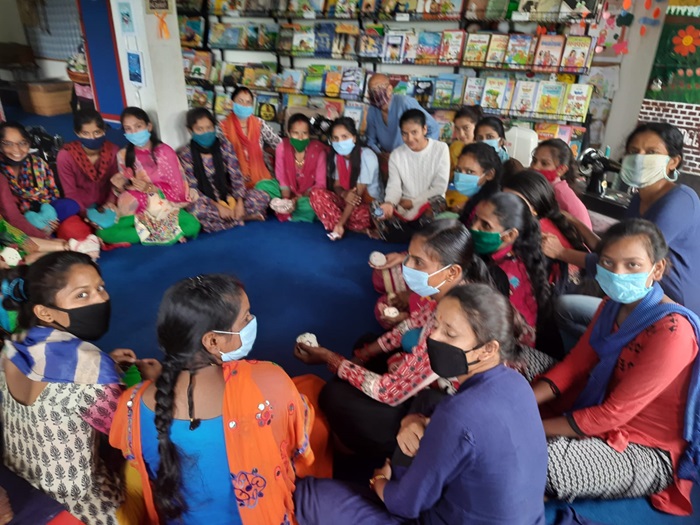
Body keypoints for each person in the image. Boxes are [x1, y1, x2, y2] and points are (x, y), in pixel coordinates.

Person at [294, 284, 548, 525]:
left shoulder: (459, 415)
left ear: (487, 350)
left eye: (449, 333)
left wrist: (379, 479)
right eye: (435, 325)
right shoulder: (518, 383)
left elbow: (405, 505)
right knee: (425, 404)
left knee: (309, 495)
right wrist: (415, 420)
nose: (433, 337)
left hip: (436, 514)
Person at [110, 274, 317, 524]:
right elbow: (297, 440)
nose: (252, 321)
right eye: (246, 318)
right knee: (312, 390)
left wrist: (156, 381)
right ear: (212, 341)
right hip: (261, 517)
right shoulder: (268, 378)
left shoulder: (131, 404)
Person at [530, 219, 700, 516]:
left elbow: (612, 414)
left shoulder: (673, 333)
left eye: (632, 265)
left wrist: (527, 426)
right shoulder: (611, 305)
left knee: (537, 458)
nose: (617, 273)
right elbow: (576, 365)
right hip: (597, 399)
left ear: (656, 270)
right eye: (608, 263)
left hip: (645, 448)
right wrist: (521, 403)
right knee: (512, 362)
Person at [294, 220, 491, 457]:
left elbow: (389, 392)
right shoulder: (454, 290)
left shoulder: (454, 326)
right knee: (366, 344)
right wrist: (364, 354)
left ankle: (379, 448)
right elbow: (412, 323)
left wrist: (330, 359)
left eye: (419, 262)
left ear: (452, 272)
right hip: (428, 383)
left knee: (333, 396)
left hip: (434, 416)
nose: (408, 266)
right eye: (409, 256)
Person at [0, 251, 156, 524]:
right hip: (83, 508)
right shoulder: (92, 368)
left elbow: (51, 386)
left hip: (27, 483)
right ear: (45, 311)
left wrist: (108, 365)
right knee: (155, 461)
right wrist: (152, 384)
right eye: (82, 295)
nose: (101, 299)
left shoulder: (11, 347)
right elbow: (131, 435)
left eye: (100, 288)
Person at [544, 122, 700, 344]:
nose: (639, 158)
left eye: (651, 152)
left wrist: (561, 253)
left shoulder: (680, 201)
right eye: (634, 152)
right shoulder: (639, 198)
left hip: (669, 308)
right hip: (636, 295)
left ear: (673, 162)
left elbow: (624, 261)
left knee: (565, 308)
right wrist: (576, 222)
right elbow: (613, 250)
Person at [96, 107, 201, 245]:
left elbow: (179, 189)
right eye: (128, 129)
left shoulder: (165, 152)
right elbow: (124, 191)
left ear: (149, 126)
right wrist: (121, 185)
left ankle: (149, 233)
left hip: (166, 207)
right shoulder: (123, 154)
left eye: (138, 126)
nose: (134, 132)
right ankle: (169, 233)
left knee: (193, 225)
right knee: (104, 233)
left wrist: (153, 188)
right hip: (138, 210)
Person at [469, 192, 551, 346]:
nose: (474, 227)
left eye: (485, 225)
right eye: (475, 219)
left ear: (509, 235)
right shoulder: (492, 256)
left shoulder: (508, 274)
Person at [178, 108, 269, 233]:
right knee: (196, 211)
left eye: (209, 127)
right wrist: (218, 206)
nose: (206, 132)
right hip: (205, 200)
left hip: (228, 194)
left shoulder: (225, 146)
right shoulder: (186, 154)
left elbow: (236, 176)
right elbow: (192, 189)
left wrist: (239, 202)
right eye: (200, 129)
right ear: (190, 130)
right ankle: (243, 218)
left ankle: (225, 221)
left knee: (262, 196)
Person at [374, 109, 449, 243]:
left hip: (427, 203)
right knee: (376, 208)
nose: (409, 139)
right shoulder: (397, 155)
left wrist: (414, 202)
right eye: (404, 134)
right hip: (403, 204)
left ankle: (408, 234)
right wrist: (390, 203)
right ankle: (418, 236)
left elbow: (440, 187)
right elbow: (394, 186)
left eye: (414, 132)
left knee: (437, 203)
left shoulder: (441, 149)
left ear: (424, 129)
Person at [503, 170, 587, 288]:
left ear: (534, 208)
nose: (503, 206)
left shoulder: (536, 235)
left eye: (514, 202)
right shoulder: (544, 221)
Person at [0, 122, 82, 236]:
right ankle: (40, 232)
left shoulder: (38, 163)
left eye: (22, 143)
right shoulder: (2, 175)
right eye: (8, 143)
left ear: (28, 144)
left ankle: (48, 228)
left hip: (43, 208)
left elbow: (52, 192)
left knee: (71, 206)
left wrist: (51, 218)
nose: (16, 150)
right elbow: (9, 214)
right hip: (17, 218)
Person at [309, 117, 382, 240]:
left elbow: (356, 197)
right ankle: (356, 228)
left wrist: (340, 223)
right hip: (347, 202)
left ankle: (341, 224)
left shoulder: (367, 156)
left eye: (344, 137)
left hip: (367, 206)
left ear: (354, 138)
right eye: (335, 138)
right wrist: (343, 194)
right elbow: (337, 186)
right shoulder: (338, 157)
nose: (340, 142)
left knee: (367, 214)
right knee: (316, 195)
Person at [257, 113, 327, 223]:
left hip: (306, 196)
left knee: (314, 205)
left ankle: (282, 211)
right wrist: (286, 200)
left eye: (304, 133)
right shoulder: (282, 148)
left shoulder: (318, 152)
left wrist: (298, 198)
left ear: (309, 135)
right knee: (262, 185)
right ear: (289, 134)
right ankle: (286, 209)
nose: (300, 137)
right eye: (295, 133)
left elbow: (320, 184)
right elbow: (281, 177)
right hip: (286, 191)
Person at [365, 73, 438, 174]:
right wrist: (381, 155)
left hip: (412, 160)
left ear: (390, 89)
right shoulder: (373, 110)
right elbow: (371, 140)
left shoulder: (405, 103)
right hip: (388, 162)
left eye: (378, 88)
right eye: (372, 90)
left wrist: (421, 152)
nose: (375, 93)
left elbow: (433, 127)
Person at [56, 108, 119, 223]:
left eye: (97, 132)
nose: (92, 138)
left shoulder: (113, 151)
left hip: (106, 205)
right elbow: (70, 193)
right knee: (72, 230)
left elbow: (115, 184)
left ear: (104, 130)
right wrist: (87, 215)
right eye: (85, 133)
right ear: (77, 133)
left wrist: (109, 204)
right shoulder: (65, 155)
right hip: (78, 208)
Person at [220, 86, 281, 189]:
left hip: (261, 177)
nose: (244, 105)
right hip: (233, 180)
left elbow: (278, 143)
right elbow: (221, 156)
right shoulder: (223, 127)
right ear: (232, 103)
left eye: (248, 102)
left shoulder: (259, 124)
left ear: (252, 106)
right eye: (240, 101)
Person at [530, 138, 592, 229]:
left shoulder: (560, 194)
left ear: (561, 170)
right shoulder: (545, 188)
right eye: (534, 161)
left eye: (544, 163)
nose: (535, 167)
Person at [446, 106, 481, 210]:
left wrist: (465, 205)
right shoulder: (455, 147)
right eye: (457, 128)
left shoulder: (485, 152)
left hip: (472, 205)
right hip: (450, 200)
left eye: (466, 128)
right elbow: (447, 176)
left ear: (477, 126)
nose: (460, 134)